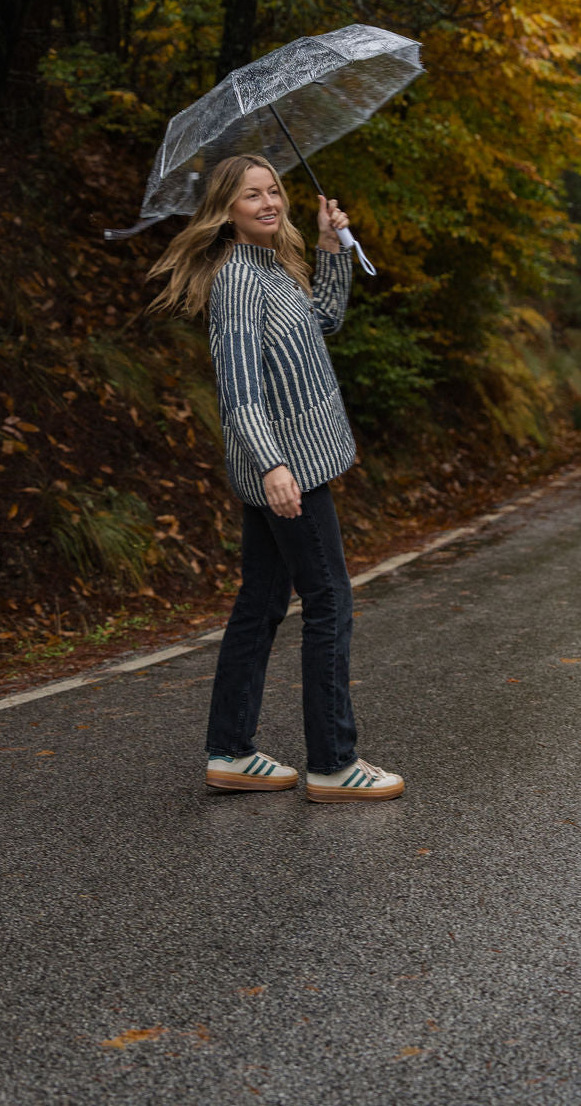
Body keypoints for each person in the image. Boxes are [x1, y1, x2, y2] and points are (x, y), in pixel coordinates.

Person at [148, 153, 404, 803]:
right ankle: (334, 763)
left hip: (289, 464)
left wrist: (331, 249)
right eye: (251, 195)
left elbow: (324, 323)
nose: (268, 203)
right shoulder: (238, 280)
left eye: (273, 191)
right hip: (288, 468)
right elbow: (238, 392)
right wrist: (273, 465)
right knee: (329, 602)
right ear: (225, 210)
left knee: (261, 603)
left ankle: (230, 752)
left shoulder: (273, 267)